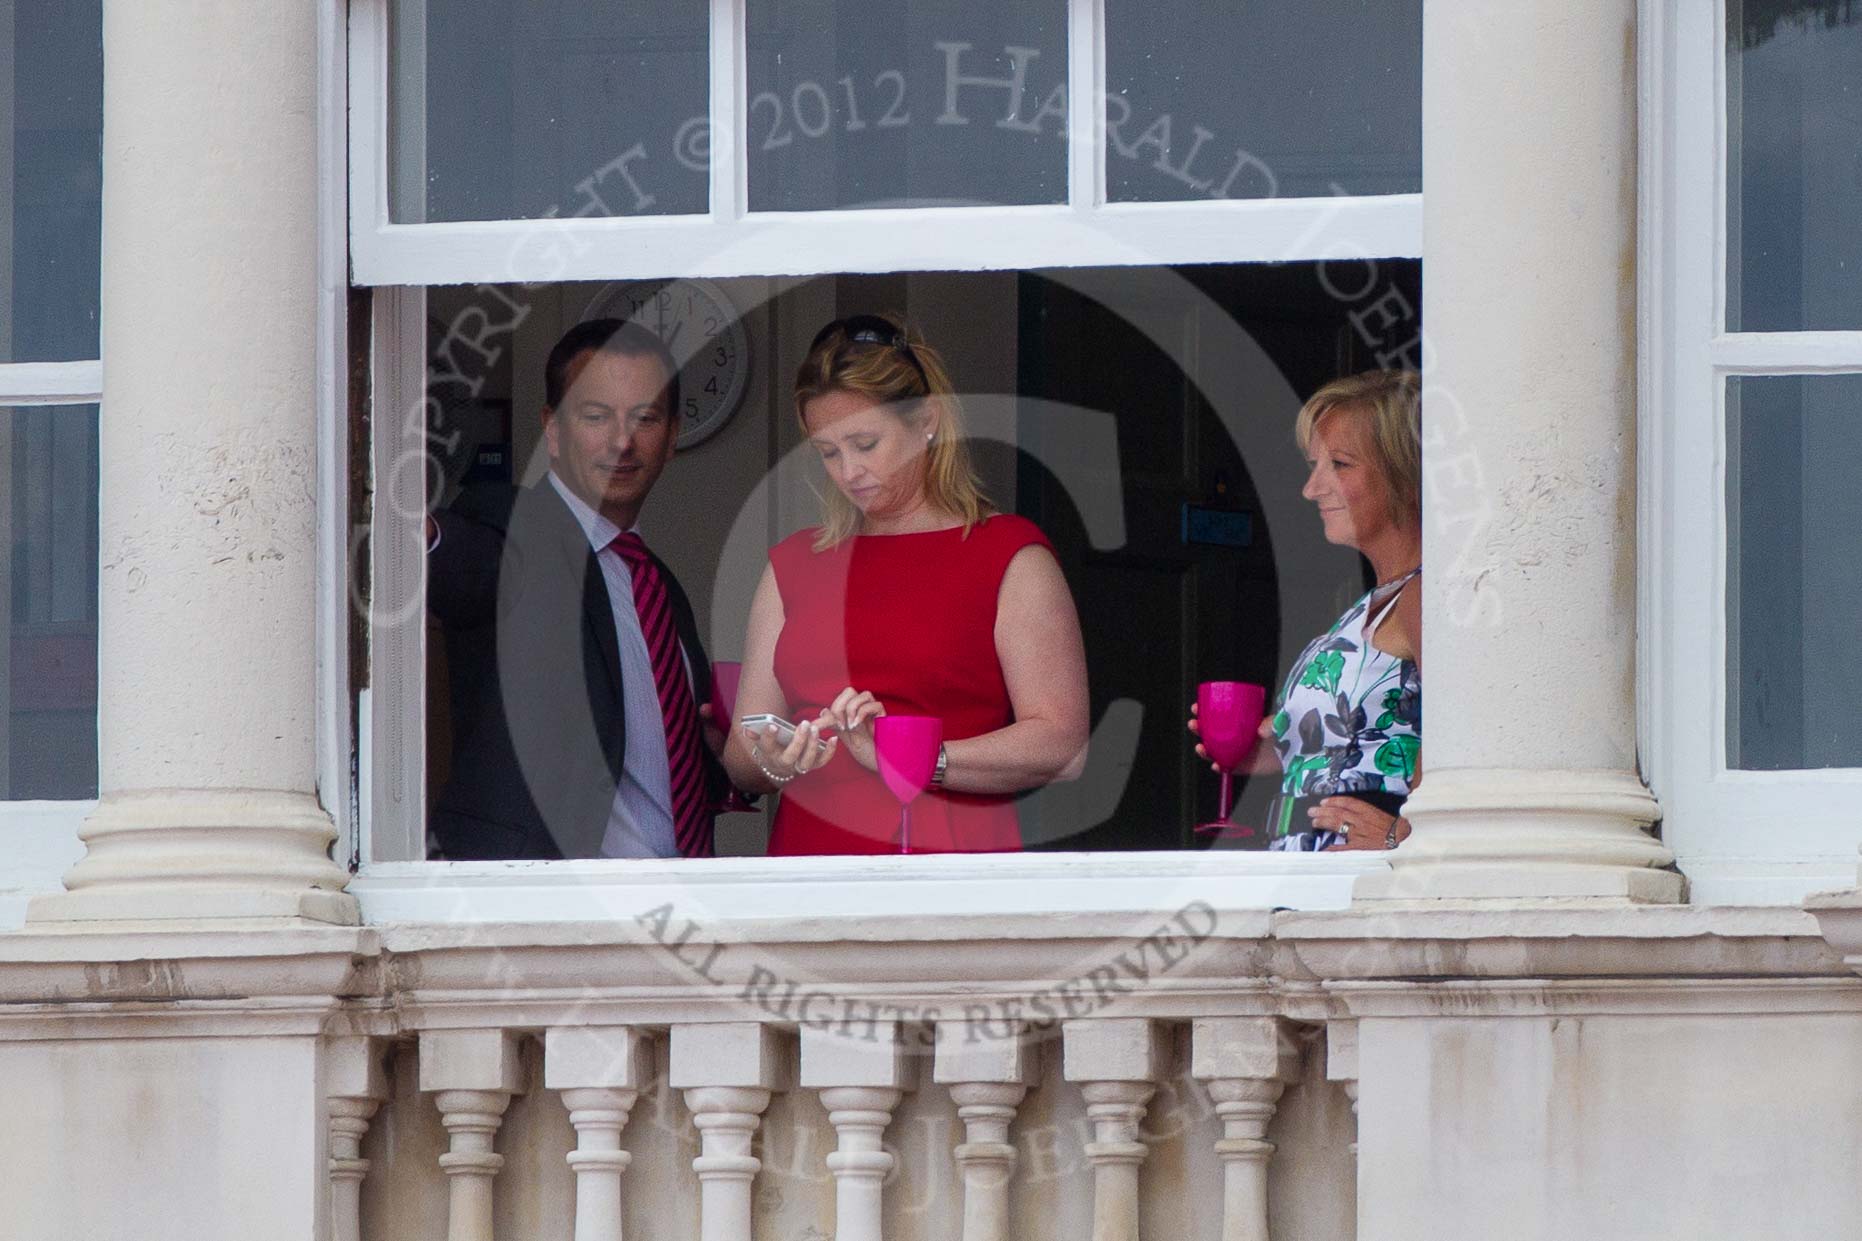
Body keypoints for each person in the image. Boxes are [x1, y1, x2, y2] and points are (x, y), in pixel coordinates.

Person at [722, 314, 1090, 855]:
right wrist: (773, 760)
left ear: (927, 422)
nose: (848, 471)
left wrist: (910, 759)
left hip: (948, 861)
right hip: (808, 864)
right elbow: (740, 754)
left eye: (866, 443)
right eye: (828, 452)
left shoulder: (1008, 554)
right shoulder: (793, 564)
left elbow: (1062, 746)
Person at [425, 319, 736, 860]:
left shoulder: (659, 586)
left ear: (672, 437)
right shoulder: (513, 529)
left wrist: (725, 757)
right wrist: (408, 527)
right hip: (549, 912)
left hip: (679, 908)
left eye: (645, 418)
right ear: (552, 429)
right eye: (596, 416)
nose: (622, 441)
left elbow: (652, 764)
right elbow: (454, 561)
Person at [1191, 369, 1422, 851]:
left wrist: (1408, 838)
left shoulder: (1427, 595)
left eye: (1339, 464)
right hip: (1308, 864)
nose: (1312, 488)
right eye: (1315, 465)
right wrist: (1283, 747)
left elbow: (1469, 736)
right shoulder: (1371, 604)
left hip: (1360, 880)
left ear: (1406, 472)